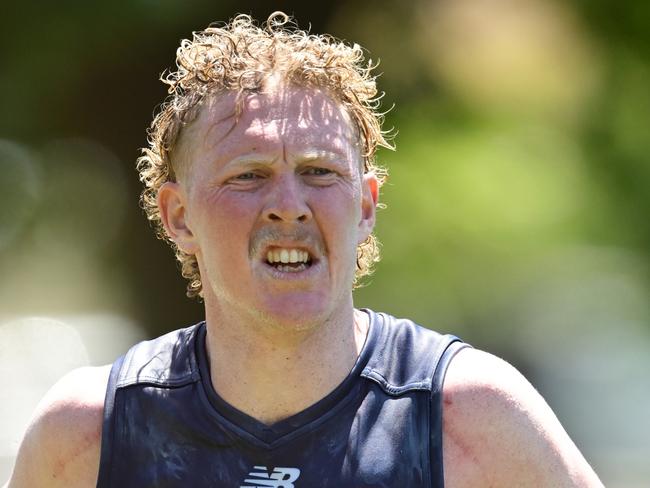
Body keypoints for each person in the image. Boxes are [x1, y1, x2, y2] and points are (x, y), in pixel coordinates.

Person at [6, 12, 603, 488]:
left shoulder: (471, 418)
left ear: (366, 206)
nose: (288, 205)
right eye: (247, 175)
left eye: (319, 172)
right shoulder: (89, 437)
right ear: (178, 216)